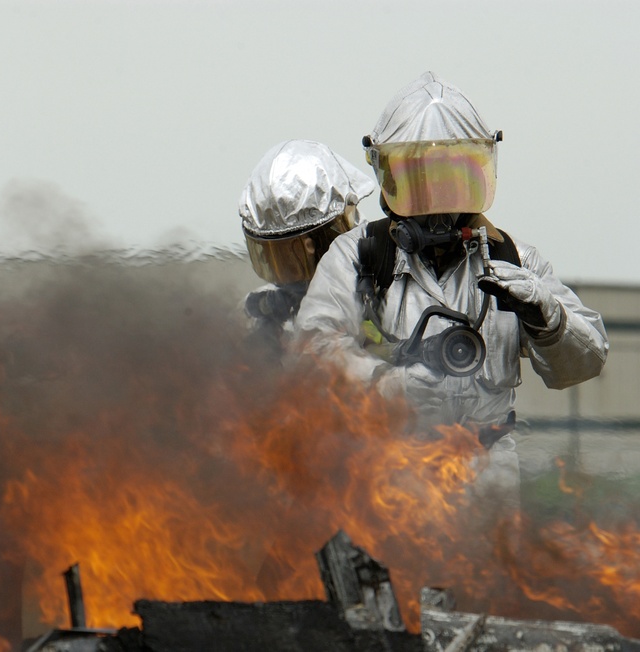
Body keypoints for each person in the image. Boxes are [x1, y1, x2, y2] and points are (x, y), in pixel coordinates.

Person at [293, 72, 609, 508]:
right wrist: (388, 387)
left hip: (488, 482)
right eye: (420, 179)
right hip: (391, 474)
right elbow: (310, 353)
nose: (436, 198)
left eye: (449, 178)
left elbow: (586, 362)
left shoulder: (516, 259)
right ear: (390, 178)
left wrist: (545, 314)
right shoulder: (361, 255)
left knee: (489, 577)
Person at [239, 140, 376, 360]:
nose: (290, 274)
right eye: (278, 258)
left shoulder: (385, 285)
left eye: (293, 257)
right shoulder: (265, 309)